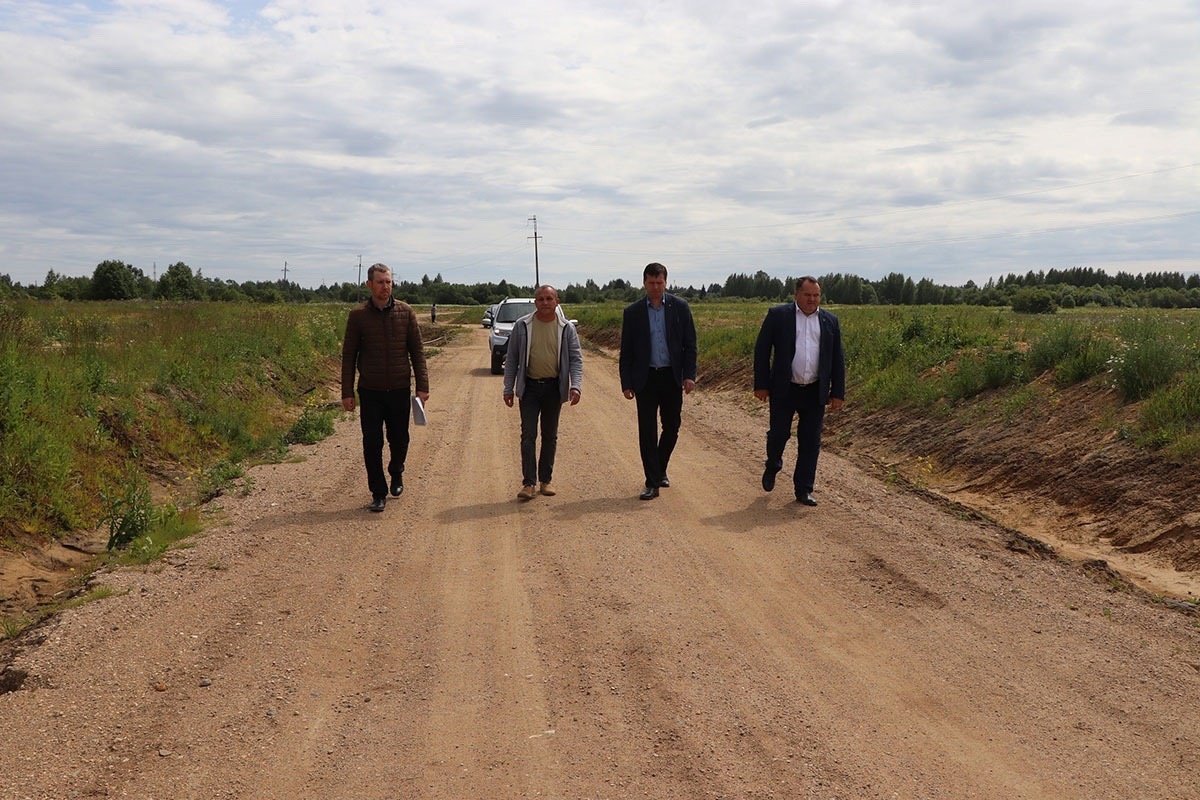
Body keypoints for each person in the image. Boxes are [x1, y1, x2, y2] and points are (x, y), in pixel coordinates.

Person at [341, 263, 430, 512]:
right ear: (369, 285)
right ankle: (377, 492)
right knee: (372, 442)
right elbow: (349, 356)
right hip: (370, 391)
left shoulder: (406, 312)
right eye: (380, 282)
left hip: (400, 388)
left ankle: (396, 470)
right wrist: (347, 392)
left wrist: (422, 386)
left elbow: (417, 351)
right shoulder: (358, 316)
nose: (385, 286)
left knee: (400, 439)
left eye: (388, 281)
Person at [753, 276, 845, 506]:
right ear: (796, 295)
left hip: (815, 391)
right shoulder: (778, 316)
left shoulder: (829, 321)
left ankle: (803, 489)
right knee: (779, 434)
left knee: (811, 441)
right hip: (785, 388)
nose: (812, 299)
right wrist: (761, 384)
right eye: (807, 295)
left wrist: (837, 392)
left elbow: (837, 359)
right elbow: (762, 350)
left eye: (816, 295)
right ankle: (773, 463)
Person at [619, 262, 697, 500]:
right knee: (647, 431)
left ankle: (659, 467)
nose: (655, 287)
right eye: (651, 283)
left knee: (672, 426)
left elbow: (690, 345)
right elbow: (627, 351)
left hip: (671, 376)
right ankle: (652, 481)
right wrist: (627, 383)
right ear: (644, 283)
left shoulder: (679, 307)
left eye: (659, 282)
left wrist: (689, 375)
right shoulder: (633, 312)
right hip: (646, 378)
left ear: (666, 282)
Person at [503, 285, 583, 500]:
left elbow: (575, 359)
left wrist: (575, 386)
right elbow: (511, 360)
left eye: (549, 298)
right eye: (541, 299)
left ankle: (545, 480)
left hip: (553, 389)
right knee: (528, 435)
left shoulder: (566, 328)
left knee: (550, 436)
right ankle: (528, 483)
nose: (545, 302)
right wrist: (508, 388)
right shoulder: (522, 326)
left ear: (557, 301)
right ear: (535, 302)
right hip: (529, 388)